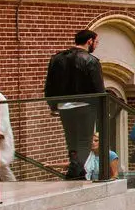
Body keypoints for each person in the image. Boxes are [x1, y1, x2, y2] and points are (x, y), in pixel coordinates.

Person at [43, 28, 104, 179]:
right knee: (84, 140)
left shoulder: (56, 58)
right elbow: (98, 88)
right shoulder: (91, 60)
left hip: (64, 106)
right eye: (96, 42)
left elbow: (49, 85)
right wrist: (101, 107)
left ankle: (77, 169)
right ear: (89, 41)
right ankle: (76, 171)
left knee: (71, 139)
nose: (96, 46)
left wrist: (53, 105)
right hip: (85, 106)